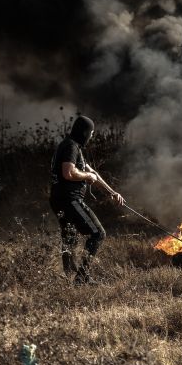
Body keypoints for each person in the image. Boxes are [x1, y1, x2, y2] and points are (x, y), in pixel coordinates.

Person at [49, 115, 124, 284]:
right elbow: (68, 172)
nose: (91, 136)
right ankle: (82, 278)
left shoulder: (73, 146)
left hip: (58, 199)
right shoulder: (70, 147)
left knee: (70, 236)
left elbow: (94, 174)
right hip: (69, 199)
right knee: (97, 234)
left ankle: (69, 277)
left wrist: (112, 192)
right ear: (84, 132)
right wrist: (86, 176)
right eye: (91, 133)